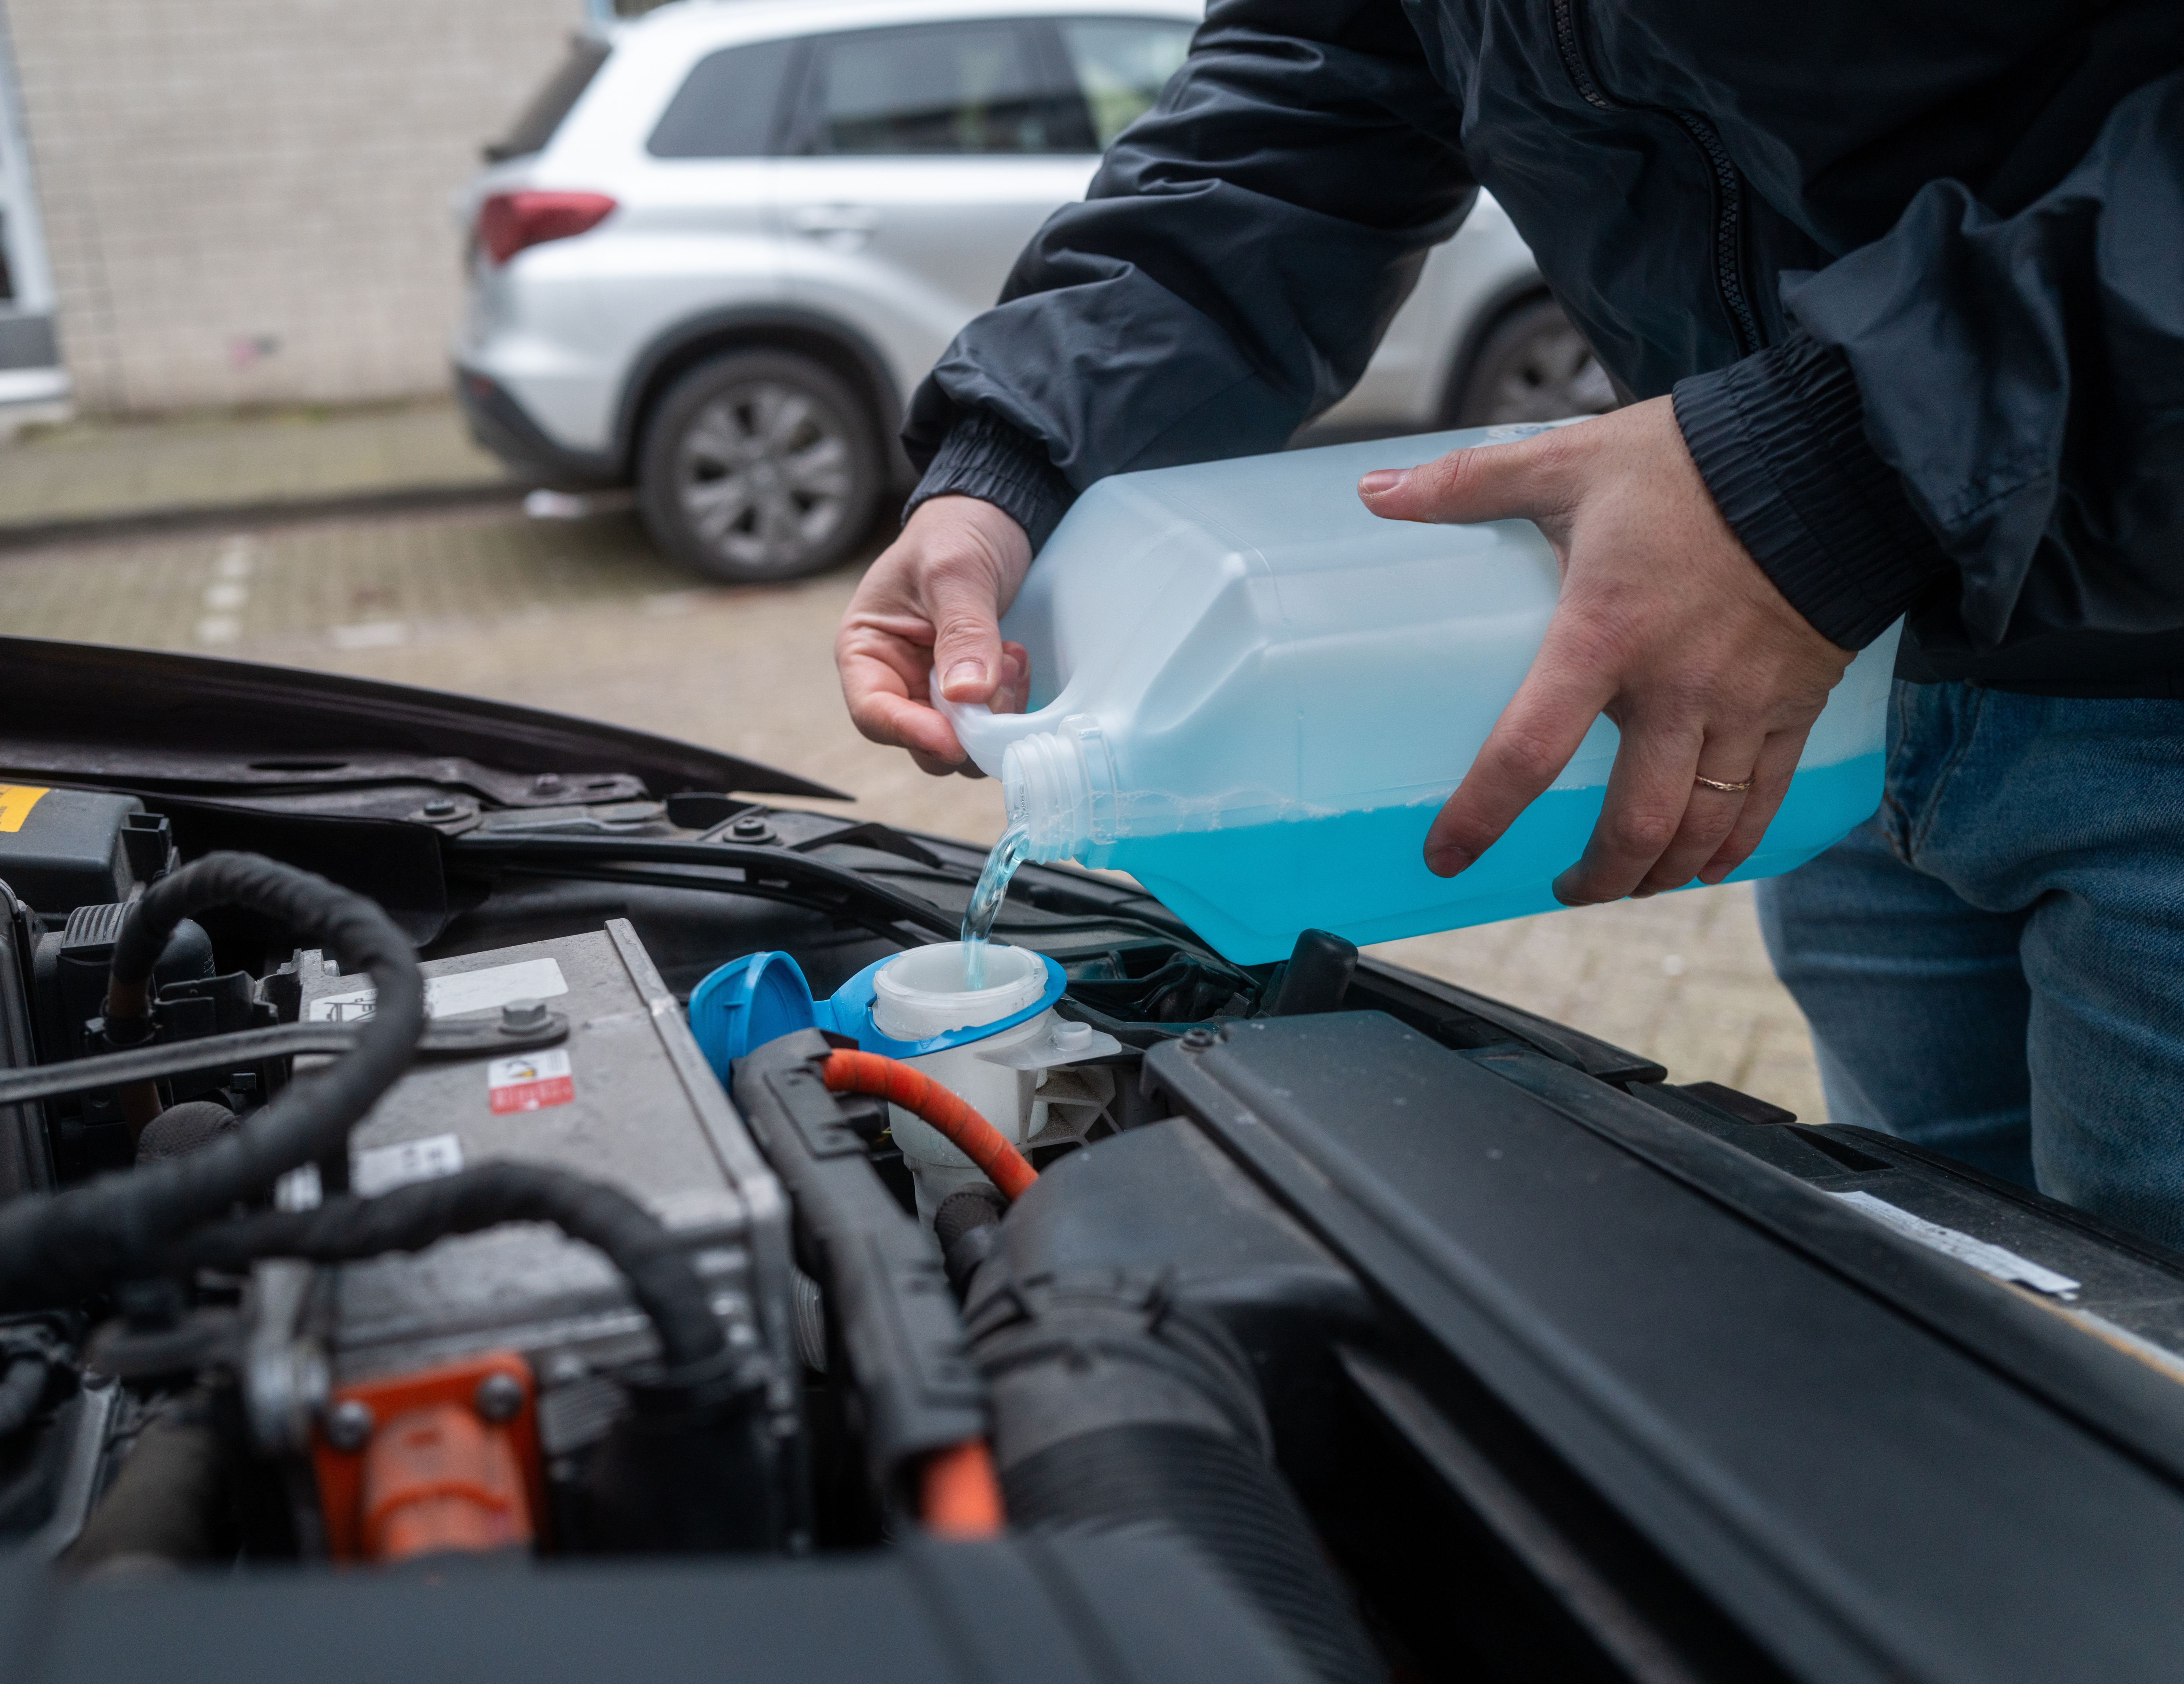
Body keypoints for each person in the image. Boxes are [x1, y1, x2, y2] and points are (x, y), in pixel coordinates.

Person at [833, 2, 2184, 1245]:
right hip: (1798, 695)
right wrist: (1019, 463)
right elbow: (1311, 96)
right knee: (1964, 1303)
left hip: (2129, 664)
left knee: (2144, 1375)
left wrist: (1830, 465)